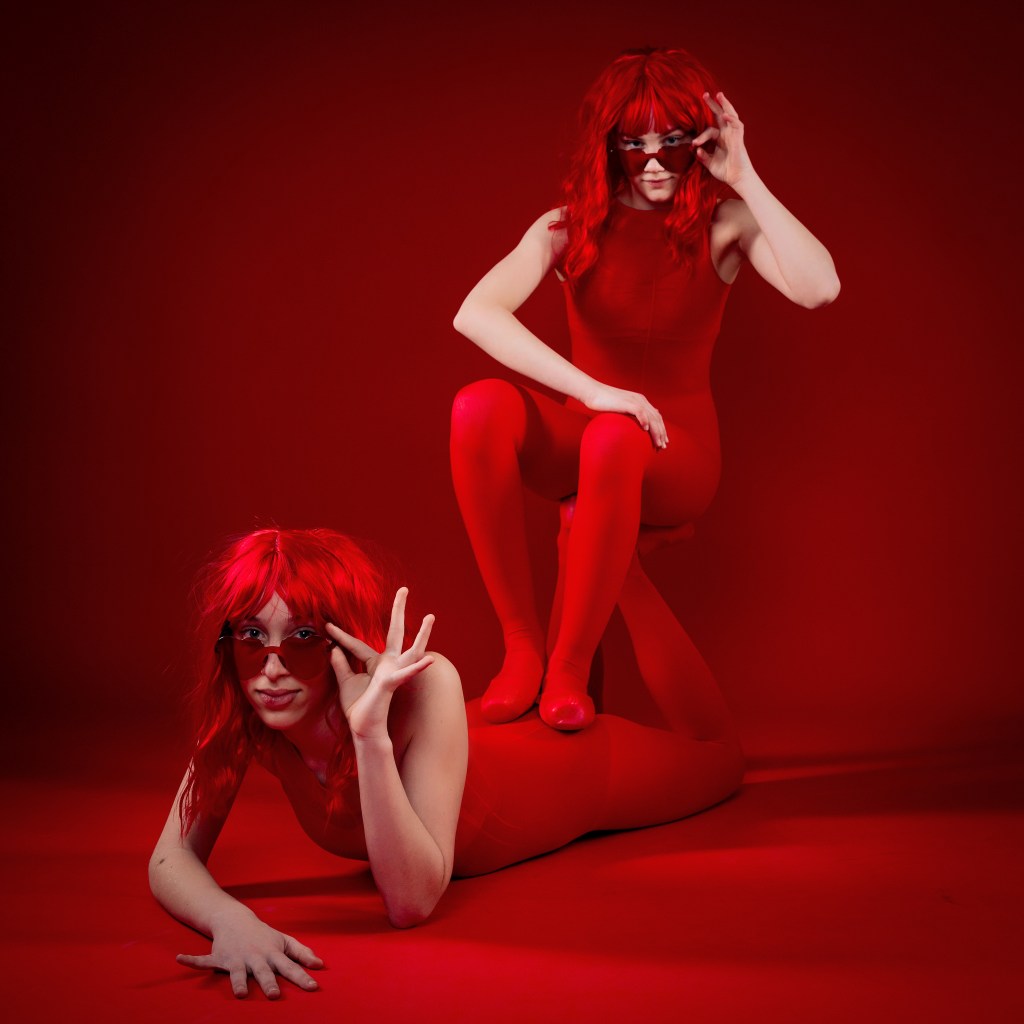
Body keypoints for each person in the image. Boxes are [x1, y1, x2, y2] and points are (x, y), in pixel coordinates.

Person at [150, 525, 743, 999]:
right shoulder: (251, 707)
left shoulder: (427, 682)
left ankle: (623, 569)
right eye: (252, 636)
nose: (272, 667)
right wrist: (230, 920)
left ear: (341, 639)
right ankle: (590, 556)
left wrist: (371, 737)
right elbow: (170, 856)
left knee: (720, 759)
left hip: (571, 772)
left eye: (302, 637)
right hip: (474, 743)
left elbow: (411, 903)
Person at [450, 47, 840, 731]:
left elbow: (820, 288)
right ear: (610, 146)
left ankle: (568, 670)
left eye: (672, 142)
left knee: (613, 438)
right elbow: (474, 313)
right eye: (636, 144)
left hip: (678, 458)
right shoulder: (565, 228)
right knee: (478, 406)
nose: (655, 161)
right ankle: (522, 649)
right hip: (595, 435)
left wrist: (744, 177)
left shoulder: (723, 225)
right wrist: (598, 391)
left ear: (702, 141)